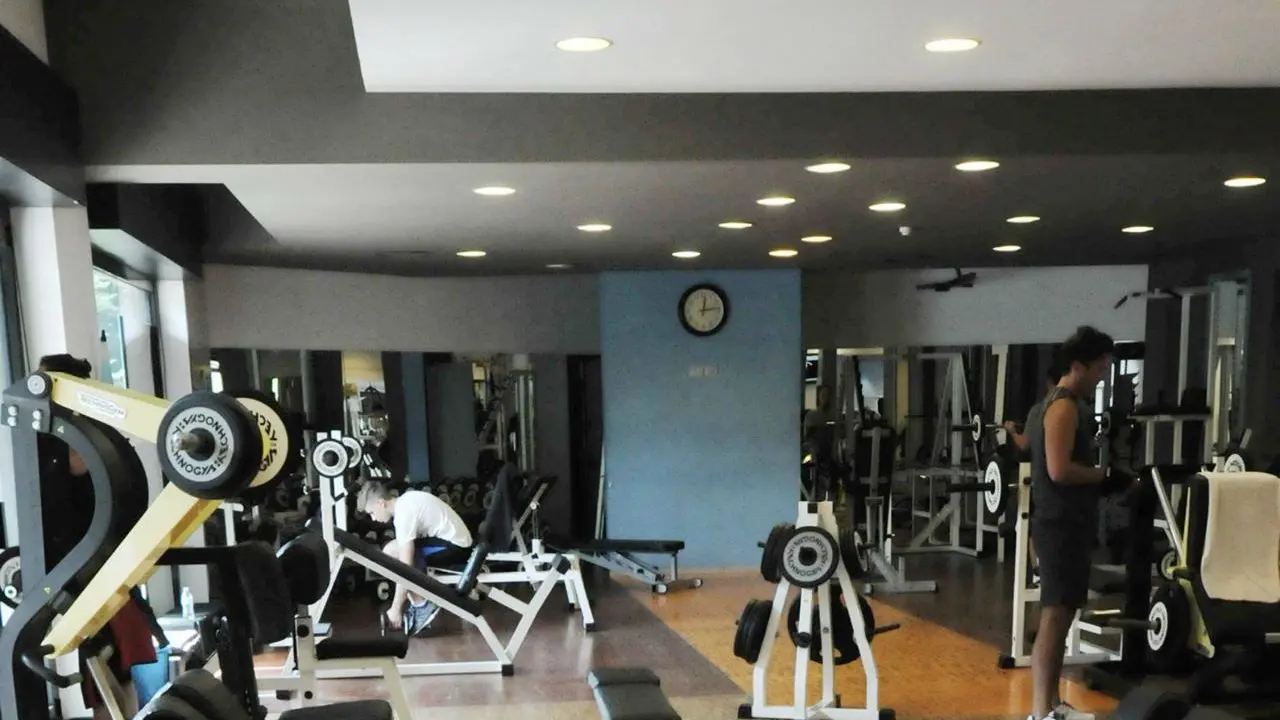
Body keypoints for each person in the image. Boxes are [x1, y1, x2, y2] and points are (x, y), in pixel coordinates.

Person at [37, 354, 160, 719]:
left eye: (43, 383)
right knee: (108, 662)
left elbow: (77, 467)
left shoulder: (77, 440)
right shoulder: (92, 434)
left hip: (92, 564)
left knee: (109, 661)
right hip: (91, 562)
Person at [1024, 327, 1132, 720]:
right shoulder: (1064, 407)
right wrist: (1105, 476)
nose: (1101, 378)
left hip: (1065, 523)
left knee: (1061, 615)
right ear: (1077, 366)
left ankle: (1052, 706)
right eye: (1099, 370)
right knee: (1055, 618)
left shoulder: (1053, 405)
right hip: (1060, 525)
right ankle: (1041, 712)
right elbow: (1058, 470)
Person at [357, 481, 474, 635]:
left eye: (372, 512)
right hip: (453, 541)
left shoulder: (403, 515)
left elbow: (405, 568)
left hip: (457, 547)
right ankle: (420, 602)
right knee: (391, 550)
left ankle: (422, 605)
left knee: (395, 554)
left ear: (380, 503)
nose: (373, 519)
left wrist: (396, 608)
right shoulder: (405, 500)